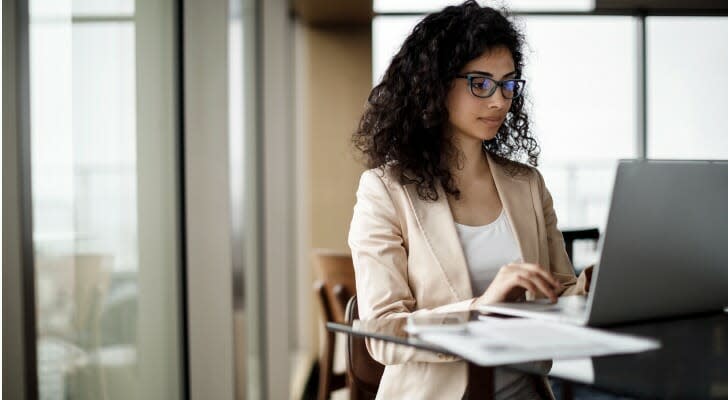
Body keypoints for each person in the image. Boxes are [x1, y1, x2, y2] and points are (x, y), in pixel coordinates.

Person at [348, 1, 590, 399]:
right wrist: (482, 307)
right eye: (481, 83)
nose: (499, 101)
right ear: (435, 84)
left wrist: (595, 289)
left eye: (508, 84)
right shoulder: (385, 191)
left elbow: (560, 295)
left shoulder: (527, 185)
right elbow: (384, 335)